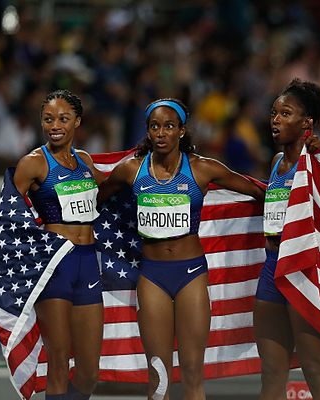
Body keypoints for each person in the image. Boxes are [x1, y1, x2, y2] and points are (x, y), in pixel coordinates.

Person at [97, 98, 265, 400]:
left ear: (182, 131)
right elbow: (96, 199)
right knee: (159, 379)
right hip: (152, 277)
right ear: (148, 132)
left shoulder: (203, 169)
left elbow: (258, 191)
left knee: (192, 375)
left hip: (191, 275)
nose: (161, 133)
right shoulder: (130, 171)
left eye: (169, 127)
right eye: (155, 127)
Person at [13, 89, 106, 400]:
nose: (55, 125)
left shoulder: (85, 162)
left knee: (89, 371)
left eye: (63, 119)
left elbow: (107, 196)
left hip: (88, 262)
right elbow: (9, 213)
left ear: (77, 122)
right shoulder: (33, 163)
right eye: (48, 119)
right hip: (54, 265)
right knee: (58, 361)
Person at [254, 78, 320, 400]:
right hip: (272, 266)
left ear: (307, 122)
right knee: (271, 373)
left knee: (315, 370)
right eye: (274, 112)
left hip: (306, 267)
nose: (275, 119)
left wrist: (319, 156)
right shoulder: (276, 162)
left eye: (285, 113)